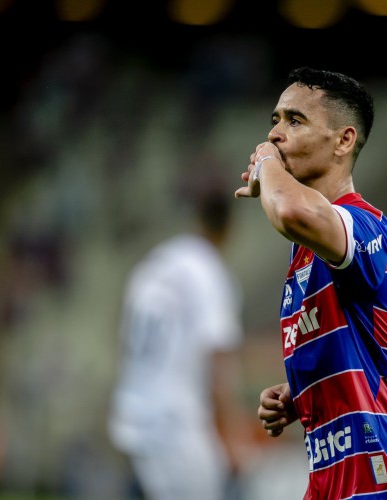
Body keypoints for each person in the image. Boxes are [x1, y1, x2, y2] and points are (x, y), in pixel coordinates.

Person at [235, 67, 387, 499]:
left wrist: (266, 164)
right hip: (336, 478)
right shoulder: (307, 252)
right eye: (274, 121)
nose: (276, 134)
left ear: (343, 140)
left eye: (294, 121)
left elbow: (293, 213)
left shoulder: (366, 226)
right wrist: (301, 394)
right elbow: (366, 349)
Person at [108, 167, 251, 500]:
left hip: (132, 418)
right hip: (175, 425)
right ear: (228, 227)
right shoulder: (208, 271)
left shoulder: (155, 263)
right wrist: (232, 438)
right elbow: (218, 360)